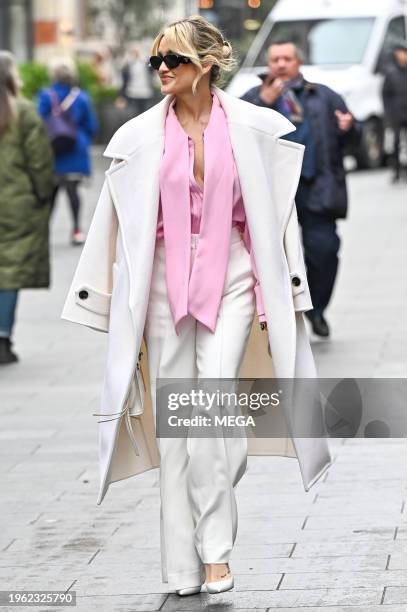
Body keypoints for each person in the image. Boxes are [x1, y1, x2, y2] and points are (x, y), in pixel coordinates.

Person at [61, 16, 331, 596]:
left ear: (206, 65)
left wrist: (283, 289)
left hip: (234, 276)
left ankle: (214, 550)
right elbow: (114, 224)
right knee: (182, 429)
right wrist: (100, 302)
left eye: (174, 61)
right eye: (156, 60)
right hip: (161, 285)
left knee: (209, 414)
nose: (161, 69)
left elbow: (278, 223)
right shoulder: (137, 136)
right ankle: (186, 567)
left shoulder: (254, 129)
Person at [241, 41, 360, 337]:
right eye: (275, 59)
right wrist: (263, 103)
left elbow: (355, 138)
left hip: (317, 187)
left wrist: (349, 128)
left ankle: (317, 309)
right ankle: (286, 316)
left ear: (298, 62)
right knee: (275, 258)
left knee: (324, 252)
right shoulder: (251, 99)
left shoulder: (324, 96)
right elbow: (237, 137)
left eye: (287, 58)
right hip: (275, 193)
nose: (281, 64)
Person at [0, 51, 53, 364]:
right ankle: (3, 338)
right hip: (18, 205)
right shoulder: (23, 112)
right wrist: (41, 195)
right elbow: (40, 163)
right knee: (10, 272)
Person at [37, 57, 98, 246]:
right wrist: (80, 138)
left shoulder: (46, 96)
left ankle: (43, 234)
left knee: (51, 195)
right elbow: (92, 126)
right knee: (73, 193)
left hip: (52, 151)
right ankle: (77, 230)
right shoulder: (82, 97)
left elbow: (38, 123)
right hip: (75, 151)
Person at [382, 41, 407, 182]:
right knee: (396, 143)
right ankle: (396, 170)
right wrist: (388, 114)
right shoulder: (391, 73)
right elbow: (385, 95)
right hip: (396, 113)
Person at [117, 43, 155, 115]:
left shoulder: (146, 62)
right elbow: (124, 81)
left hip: (145, 92)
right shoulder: (128, 64)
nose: (136, 53)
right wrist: (121, 96)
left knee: (146, 115)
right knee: (133, 116)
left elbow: (153, 69)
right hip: (132, 93)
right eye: (134, 51)